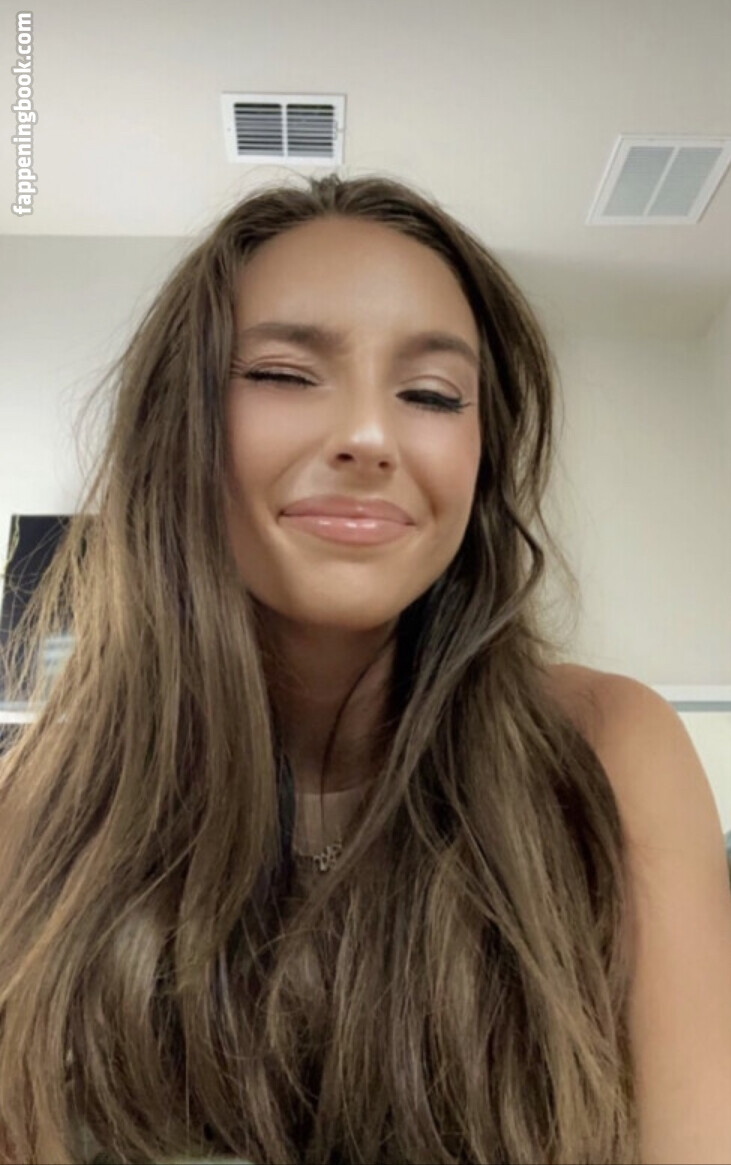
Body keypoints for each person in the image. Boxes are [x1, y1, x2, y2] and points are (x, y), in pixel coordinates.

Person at [1, 172, 730, 1165]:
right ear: (179, 427)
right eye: (282, 374)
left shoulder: (608, 752)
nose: (368, 437)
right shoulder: (42, 811)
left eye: (429, 394)